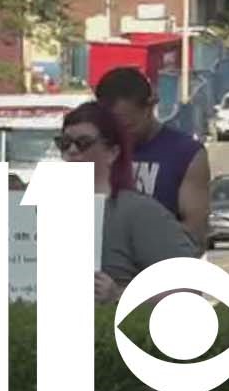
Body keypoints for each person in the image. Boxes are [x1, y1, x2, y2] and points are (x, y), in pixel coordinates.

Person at [56, 100, 197, 302]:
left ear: (112, 153)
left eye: (83, 143)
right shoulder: (41, 210)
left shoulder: (139, 212)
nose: (71, 150)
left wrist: (119, 295)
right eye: (64, 143)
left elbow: (188, 289)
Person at [95, 66, 209, 251]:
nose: (121, 134)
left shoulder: (185, 152)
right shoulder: (96, 149)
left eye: (128, 125)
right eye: (113, 126)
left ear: (149, 107)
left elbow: (195, 234)